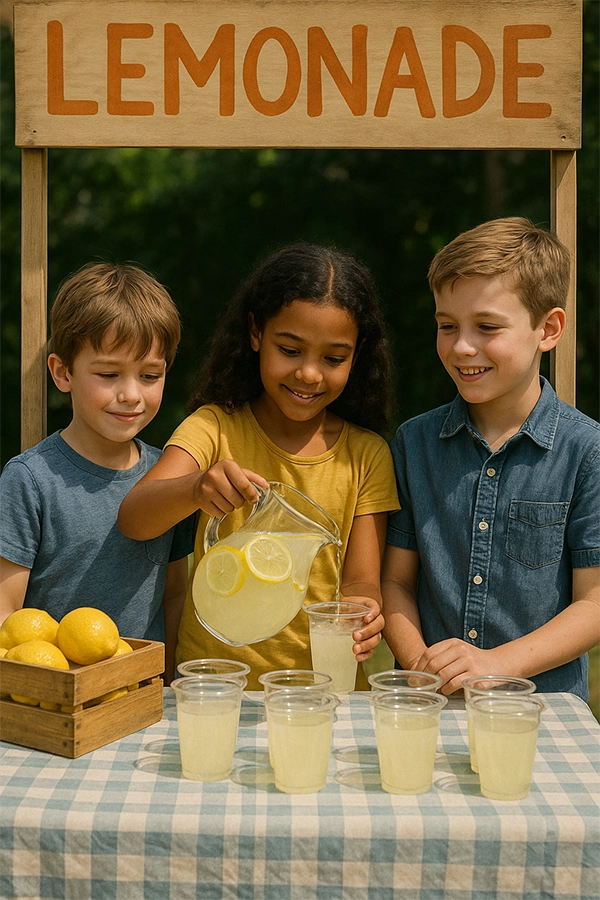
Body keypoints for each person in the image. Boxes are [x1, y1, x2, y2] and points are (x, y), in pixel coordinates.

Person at [118, 243, 400, 689]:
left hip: (321, 691)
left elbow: (362, 582)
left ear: (357, 354)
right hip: (214, 684)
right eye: (290, 349)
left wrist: (364, 615)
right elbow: (135, 517)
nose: (309, 374)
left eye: (333, 358)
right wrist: (194, 489)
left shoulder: (367, 455)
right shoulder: (214, 427)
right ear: (255, 333)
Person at [382, 216, 600, 700]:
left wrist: (493, 666)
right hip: (430, 706)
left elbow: (594, 602)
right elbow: (395, 582)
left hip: (542, 714)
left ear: (548, 329)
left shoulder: (587, 450)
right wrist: (422, 669)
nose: (462, 346)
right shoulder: (413, 442)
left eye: (486, 326)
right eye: (446, 325)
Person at [0, 263, 194, 682]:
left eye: (149, 375)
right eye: (109, 374)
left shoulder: (167, 475)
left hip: (144, 697)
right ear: (62, 372)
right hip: (54, 701)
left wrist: (173, 679)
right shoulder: (28, 480)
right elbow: (6, 614)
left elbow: (175, 592)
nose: (131, 394)